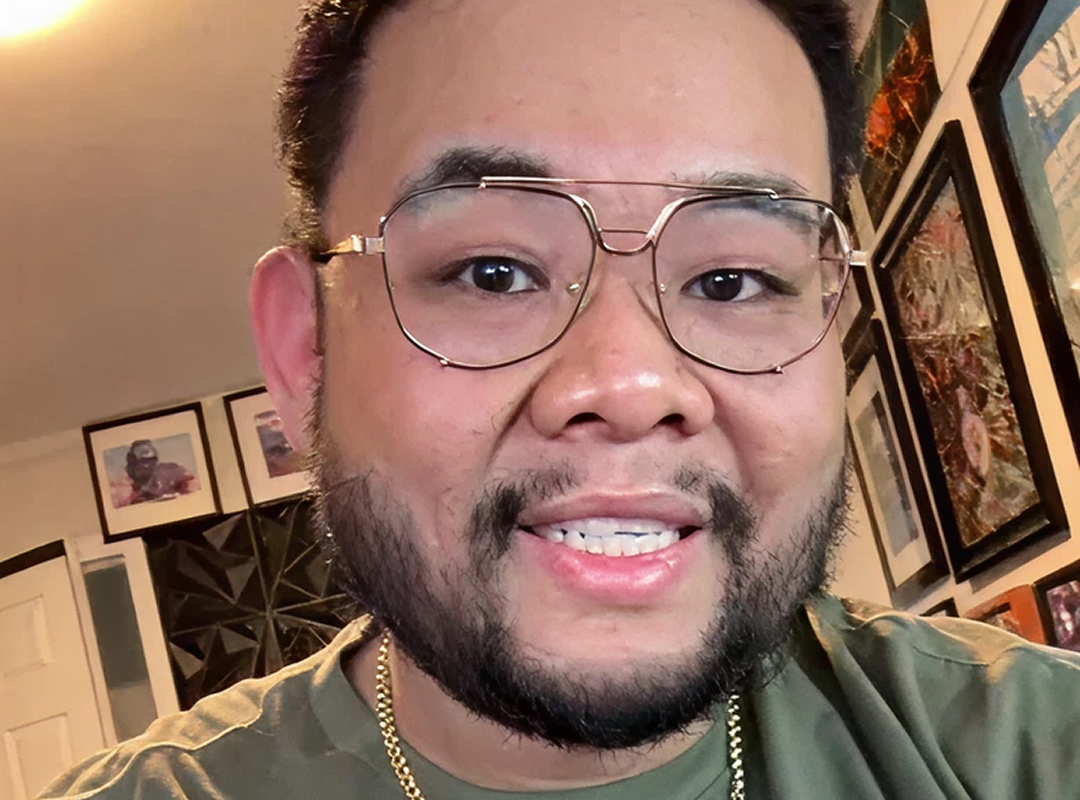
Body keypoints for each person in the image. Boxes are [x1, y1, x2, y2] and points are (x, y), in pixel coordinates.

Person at [40, 0, 1080, 798]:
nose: (629, 387)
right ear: (305, 345)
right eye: (493, 271)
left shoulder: (1030, 747)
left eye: (731, 280)